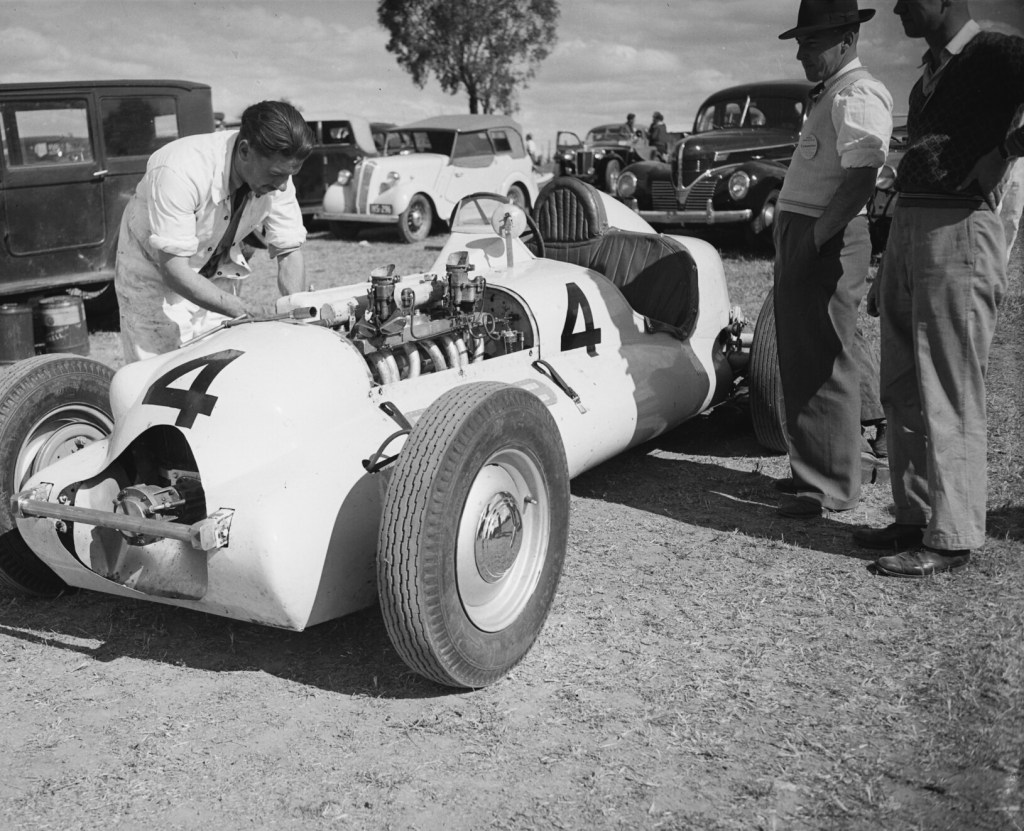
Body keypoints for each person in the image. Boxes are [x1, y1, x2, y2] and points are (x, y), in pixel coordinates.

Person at [855, 0, 1024, 576]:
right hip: (911, 227)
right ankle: (914, 514)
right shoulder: (928, 74)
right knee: (901, 383)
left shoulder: (997, 52)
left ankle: (952, 536)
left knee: (949, 385)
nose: (898, 7)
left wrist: (1005, 152)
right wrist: (888, 263)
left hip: (960, 229)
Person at [771, 0, 893, 519]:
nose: (802, 54)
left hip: (828, 236)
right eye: (801, 43)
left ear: (848, 39)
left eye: (813, 42)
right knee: (803, 355)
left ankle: (833, 485)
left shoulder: (858, 92)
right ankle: (812, 472)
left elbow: (862, 176)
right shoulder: (833, 91)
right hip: (809, 231)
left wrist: (816, 237)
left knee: (827, 358)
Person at [114, 100, 314, 362]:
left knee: (219, 364)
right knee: (159, 369)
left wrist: (296, 310)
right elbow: (174, 271)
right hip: (154, 274)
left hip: (214, 269)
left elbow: (289, 251)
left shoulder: (278, 177)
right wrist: (247, 310)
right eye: (276, 174)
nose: (284, 186)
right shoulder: (181, 169)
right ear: (245, 151)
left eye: (291, 174)